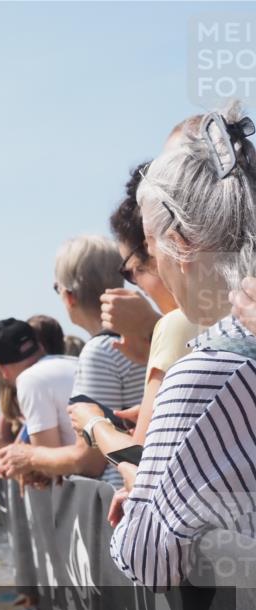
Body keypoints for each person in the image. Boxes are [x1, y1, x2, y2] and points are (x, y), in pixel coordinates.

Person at [71, 103, 256, 589]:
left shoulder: (212, 368)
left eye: (150, 250)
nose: (155, 270)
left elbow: (148, 557)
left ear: (183, 243)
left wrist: (138, 493)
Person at [0, 236, 147, 486]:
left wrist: (29, 456)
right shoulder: (145, 337)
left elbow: (90, 459)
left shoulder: (99, 352)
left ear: (69, 296)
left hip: (119, 497)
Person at [104, 162, 203, 444]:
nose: (136, 284)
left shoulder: (175, 326)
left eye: (130, 270)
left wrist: (93, 425)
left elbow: (140, 466)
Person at [0, 319, 78, 479]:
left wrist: (1, 450)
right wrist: (3, 452)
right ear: (40, 347)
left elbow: (50, 469)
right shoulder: (72, 363)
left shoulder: (30, 380)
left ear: (2, 370)